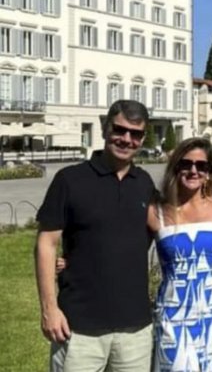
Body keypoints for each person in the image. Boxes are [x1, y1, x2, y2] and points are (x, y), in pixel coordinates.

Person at [35, 100, 156, 371]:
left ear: (143, 138)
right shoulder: (70, 180)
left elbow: (175, 220)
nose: (127, 139)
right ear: (104, 128)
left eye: (135, 134)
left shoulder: (145, 183)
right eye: (120, 130)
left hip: (135, 329)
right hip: (78, 327)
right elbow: (46, 244)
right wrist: (49, 310)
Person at [148, 137, 212, 370]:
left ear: (209, 171)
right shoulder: (157, 212)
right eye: (186, 164)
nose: (193, 171)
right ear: (176, 167)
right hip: (174, 319)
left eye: (201, 166)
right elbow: (127, 251)